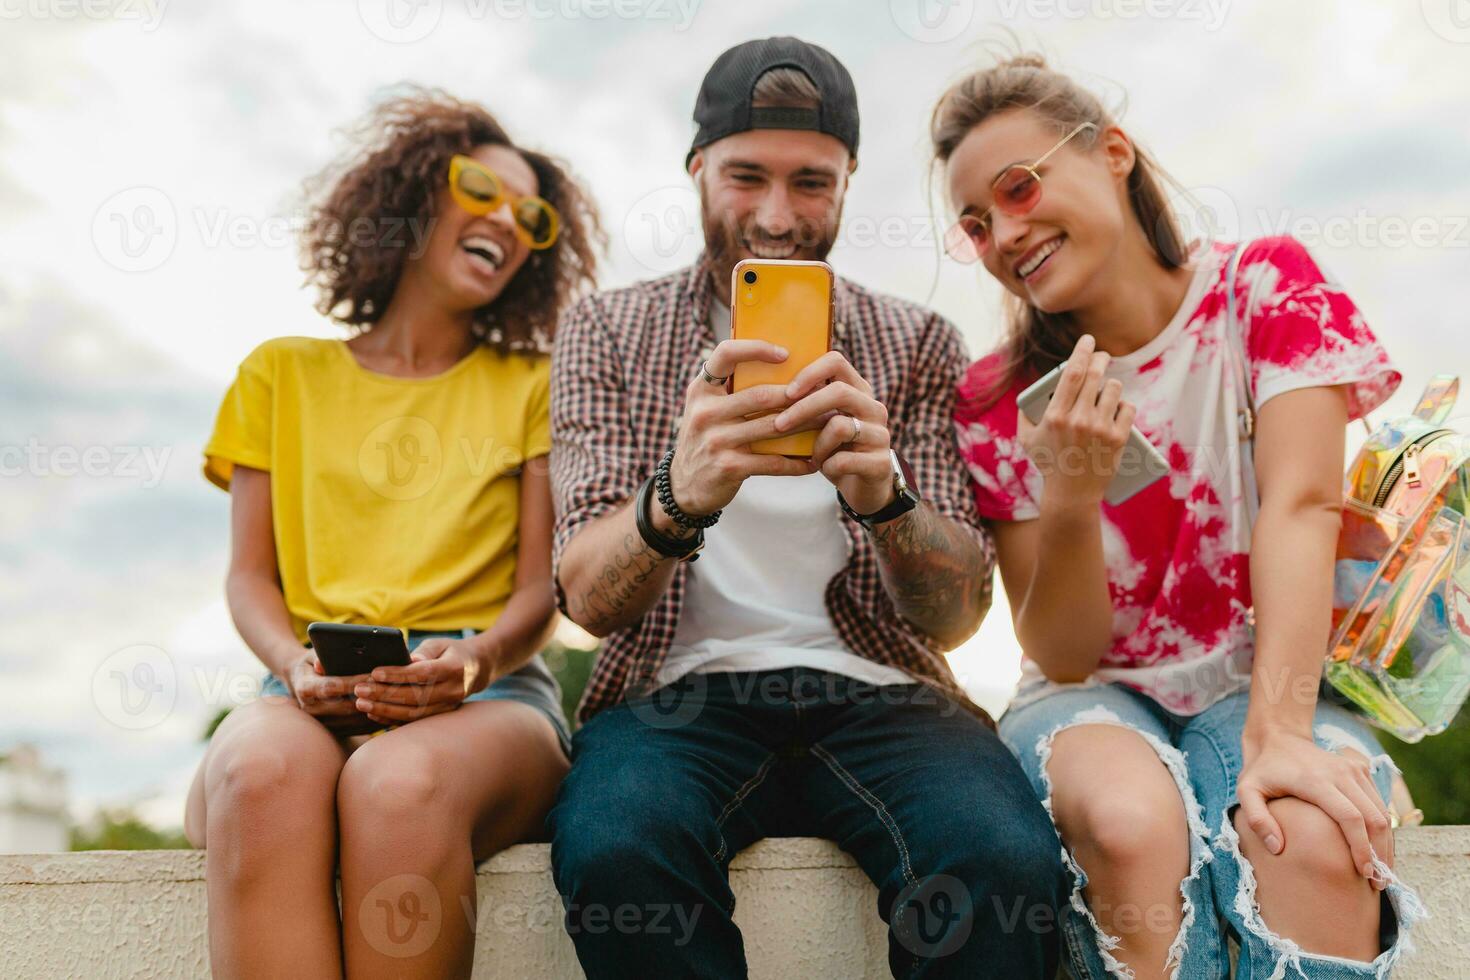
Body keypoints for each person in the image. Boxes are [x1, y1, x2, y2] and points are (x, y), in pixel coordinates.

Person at [547, 37, 1064, 979]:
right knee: (619, 852)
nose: (778, 217)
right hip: (673, 697)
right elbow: (585, 599)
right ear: (697, 168)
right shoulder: (606, 331)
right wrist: (678, 495)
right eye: (747, 176)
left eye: (812, 184)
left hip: (886, 694)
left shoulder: (917, 341)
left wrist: (885, 497)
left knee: (1006, 863)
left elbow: (955, 617)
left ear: (849, 183)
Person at [935, 53, 1425, 979]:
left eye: (1019, 187)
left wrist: (1278, 736)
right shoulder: (996, 399)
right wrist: (1071, 497)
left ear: (1113, 152)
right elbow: (1064, 653)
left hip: (1267, 674)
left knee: (1312, 840)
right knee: (1125, 824)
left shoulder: (1265, 291)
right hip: (1093, 694)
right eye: (975, 224)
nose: (1005, 231)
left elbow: (1302, 503)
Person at [183, 90, 600, 979]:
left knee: (396, 784)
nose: (509, 221)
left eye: (530, 215)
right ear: (412, 196)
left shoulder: (535, 385)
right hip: (308, 687)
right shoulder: (277, 375)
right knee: (258, 776)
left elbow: (541, 592)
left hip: (488, 698)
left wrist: (474, 663)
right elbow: (250, 579)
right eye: (479, 187)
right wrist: (294, 666)